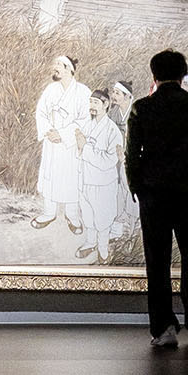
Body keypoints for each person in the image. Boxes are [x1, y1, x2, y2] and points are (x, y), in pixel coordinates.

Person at [125, 47, 188, 348]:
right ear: (181, 75)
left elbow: (132, 154)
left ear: (154, 75)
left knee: (157, 260)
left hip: (154, 193)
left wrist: (136, 186)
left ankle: (164, 329)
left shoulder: (142, 107)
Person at [32, 54, 90, 233]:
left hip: (71, 145)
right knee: (50, 176)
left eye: (59, 64)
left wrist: (63, 134)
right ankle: (49, 213)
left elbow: (86, 119)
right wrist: (49, 131)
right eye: (55, 64)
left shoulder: (83, 92)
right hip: (51, 142)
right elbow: (40, 112)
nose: (55, 67)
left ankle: (72, 216)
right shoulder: (50, 89)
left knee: (71, 178)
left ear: (69, 69)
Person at [74, 88, 123, 264]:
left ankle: (103, 249)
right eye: (91, 102)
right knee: (88, 215)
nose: (92, 106)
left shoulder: (112, 131)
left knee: (102, 218)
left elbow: (109, 161)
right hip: (86, 179)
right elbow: (79, 151)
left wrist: (85, 147)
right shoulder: (88, 125)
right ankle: (90, 243)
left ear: (106, 104)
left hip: (103, 183)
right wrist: (80, 146)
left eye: (96, 102)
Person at [108, 79, 139, 239]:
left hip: (133, 157)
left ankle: (134, 226)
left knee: (131, 189)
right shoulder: (113, 112)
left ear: (127, 96)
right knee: (117, 190)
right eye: (113, 92)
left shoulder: (137, 112)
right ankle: (117, 227)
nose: (113, 96)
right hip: (116, 156)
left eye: (117, 93)